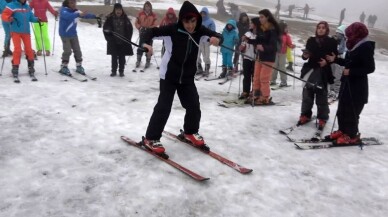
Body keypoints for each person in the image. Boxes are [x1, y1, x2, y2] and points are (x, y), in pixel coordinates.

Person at [140, 1, 222, 154]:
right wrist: (146, 44)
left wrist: (217, 39)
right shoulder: (172, 30)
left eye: (193, 21)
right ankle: (151, 138)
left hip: (187, 78)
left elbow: (217, 35)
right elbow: (148, 32)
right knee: (164, 107)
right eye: (186, 21)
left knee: (193, 106)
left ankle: (190, 132)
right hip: (169, 76)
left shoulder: (200, 31)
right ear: (181, 20)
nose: (190, 25)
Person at [325, 22, 375, 145]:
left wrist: (352, 71)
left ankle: (352, 135)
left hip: (357, 87)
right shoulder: (354, 45)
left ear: (357, 33)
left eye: (349, 34)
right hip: (346, 83)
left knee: (351, 111)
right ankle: (342, 130)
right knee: (342, 109)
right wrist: (335, 59)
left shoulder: (365, 46)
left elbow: (370, 68)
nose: (347, 37)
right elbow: (348, 61)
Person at [298, 21, 338, 130]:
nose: (320, 29)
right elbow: (305, 56)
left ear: (326, 29)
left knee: (321, 97)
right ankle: (305, 114)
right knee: (307, 95)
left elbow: (334, 57)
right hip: (310, 70)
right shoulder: (311, 40)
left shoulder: (331, 42)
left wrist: (327, 62)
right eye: (319, 27)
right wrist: (305, 55)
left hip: (323, 72)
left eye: (323, 28)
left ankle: (322, 117)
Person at [243, 9, 280, 105]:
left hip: (268, 58)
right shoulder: (261, 28)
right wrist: (249, 41)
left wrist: (263, 47)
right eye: (259, 17)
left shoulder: (272, 30)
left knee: (264, 78)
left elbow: (273, 47)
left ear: (267, 17)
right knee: (256, 77)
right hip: (260, 56)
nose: (260, 19)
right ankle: (256, 94)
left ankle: (265, 97)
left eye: (262, 17)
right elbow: (258, 41)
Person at [1, 0, 40, 78]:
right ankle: (15, 66)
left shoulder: (27, 7)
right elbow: (3, 15)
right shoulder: (12, 5)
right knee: (18, 49)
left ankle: (31, 66)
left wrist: (37, 19)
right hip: (15, 31)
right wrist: (9, 18)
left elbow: (31, 17)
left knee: (29, 49)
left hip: (26, 32)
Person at [58, 0, 98, 75]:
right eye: (71, 3)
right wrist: (78, 14)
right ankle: (64, 66)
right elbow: (68, 16)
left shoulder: (76, 11)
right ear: (67, 3)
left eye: (74, 2)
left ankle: (79, 66)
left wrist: (95, 16)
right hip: (64, 34)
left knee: (77, 50)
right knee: (68, 51)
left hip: (73, 34)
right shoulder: (63, 10)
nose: (74, 4)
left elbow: (84, 15)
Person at [103, 3, 133, 77]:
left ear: (122, 10)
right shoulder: (110, 19)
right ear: (114, 10)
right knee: (114, 57)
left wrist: (127, 38)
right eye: (117, 10)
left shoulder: (126, 19)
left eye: (120, 10)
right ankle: (113, 71)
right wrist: (109, 38)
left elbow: (130, 29)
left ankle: (121, 71)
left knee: (122, 57)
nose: (118, 11)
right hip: (113, 42)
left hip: (123, 42)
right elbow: (105, 29)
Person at [238, 17, 258, 100]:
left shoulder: (259, 35)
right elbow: (242, 45)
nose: (250, 24)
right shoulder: (247, 33)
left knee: (254, 76)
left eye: (252, 23)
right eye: (250, 23)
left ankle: (254, 91)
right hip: (247, 57)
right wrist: (242, 46)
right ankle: (245, 91)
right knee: (246, 75)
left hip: (255, 59)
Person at [271, 21, 295, 87]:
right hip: (275, 53)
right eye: (286, 28)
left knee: (282, 67)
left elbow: (289, 44)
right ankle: (273, 80)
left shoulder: (287, 36)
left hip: (283, 53)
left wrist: (292, 46)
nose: (287, 29)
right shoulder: (275, 34)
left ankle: (283, 81)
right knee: (274, 67)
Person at [134, 1, 157, 69]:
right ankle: (138, 60)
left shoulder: (153, 15)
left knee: (149, 47)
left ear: (150, 7)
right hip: (142, 32)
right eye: (146, 6)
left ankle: (148, 60)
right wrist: (139, 27)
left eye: (149, 6)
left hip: (150, 33)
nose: (147, 7)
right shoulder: (140, 13)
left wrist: (151, 28)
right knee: (140, 46)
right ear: (144, 7)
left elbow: (155, 24)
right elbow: (136, 22)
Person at [329, 24, 347, 99]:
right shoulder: (334, 40)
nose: (337, 35)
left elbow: (346, 51)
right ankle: (331, 90)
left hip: (340, 62)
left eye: (339, 33)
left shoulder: (345, 42)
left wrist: (341, 55)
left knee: (338, 77)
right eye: (336, 33)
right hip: (333, 61)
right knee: (331, 76)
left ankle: (337, 92)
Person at [197, 7, 215, 76]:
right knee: (197, 55)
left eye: (204, 13)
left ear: (206, 14)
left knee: (206, 55)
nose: (203, 15)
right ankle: (199, 67)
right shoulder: (198, 21)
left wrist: (211, 39)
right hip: (198, 40)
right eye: (201, 13)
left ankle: (207, 68)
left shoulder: (210, 21)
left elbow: (213, 31)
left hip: (207, 40)